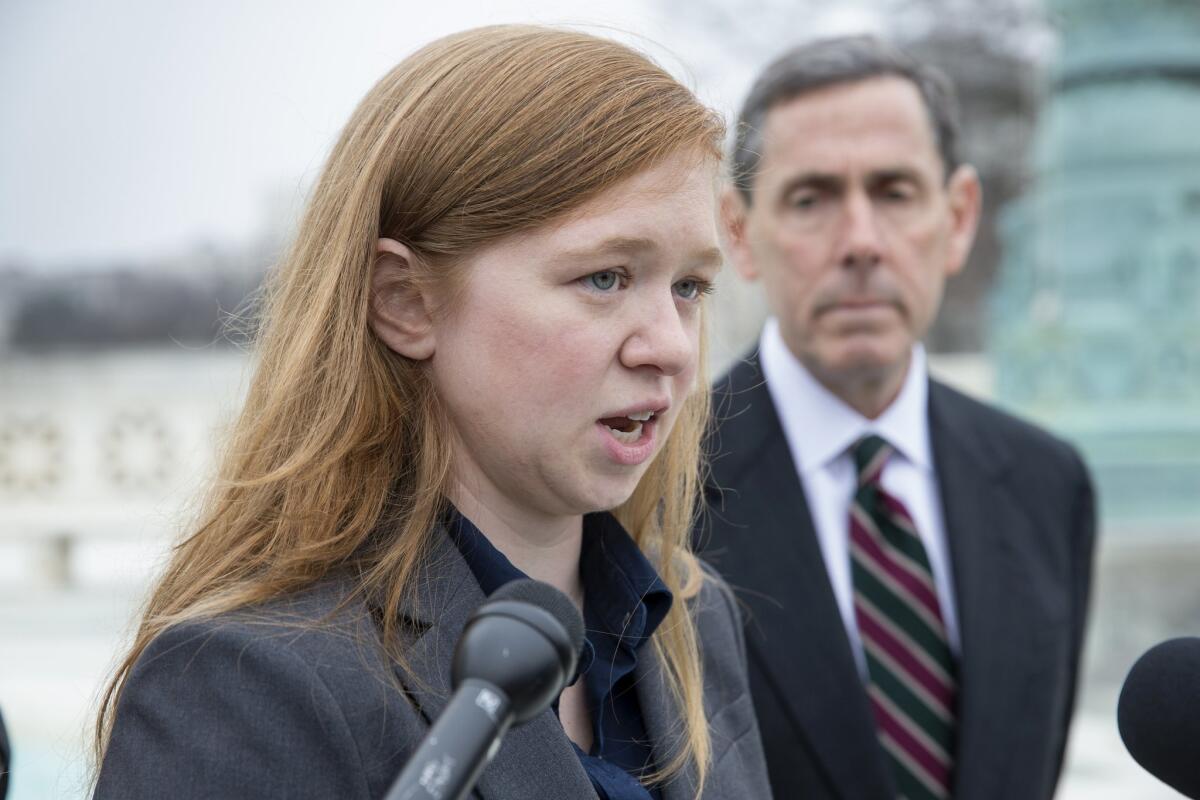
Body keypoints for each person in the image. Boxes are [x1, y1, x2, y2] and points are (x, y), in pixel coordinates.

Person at [92, 25, 771, 800]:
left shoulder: (691, 618)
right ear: (405, 302)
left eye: (689, 287)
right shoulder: (242, 683)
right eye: (606, 278)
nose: (672, 349)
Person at [699, 35, 1096, 800]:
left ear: (958, 217)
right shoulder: (656, 493)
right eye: (811, 198)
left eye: (894, 192)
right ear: (741, 233)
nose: (861, 243)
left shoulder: (1051, 485)